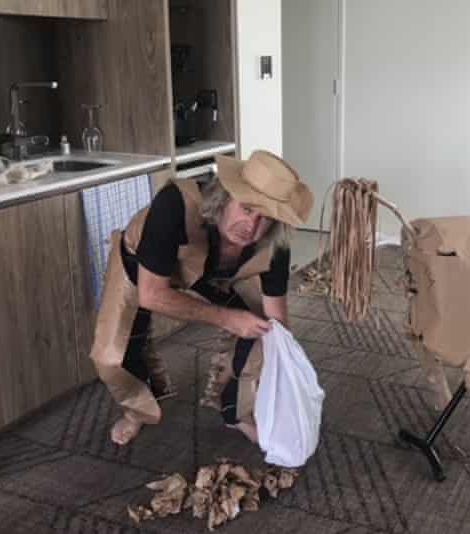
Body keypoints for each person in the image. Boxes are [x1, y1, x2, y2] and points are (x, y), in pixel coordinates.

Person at [89, 150, 313, 445]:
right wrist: (228, 318)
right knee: (111, 354)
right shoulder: (172, 205)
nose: (252, 227)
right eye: (246, 209)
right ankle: (137, 412)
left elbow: (278, 322)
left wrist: (287, 378)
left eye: (266, 218)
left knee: (265, 330)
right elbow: (152, 295)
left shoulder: (274, 246)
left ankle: (237, 410)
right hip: (145, 263)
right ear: (225, 197)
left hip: (214, 270)